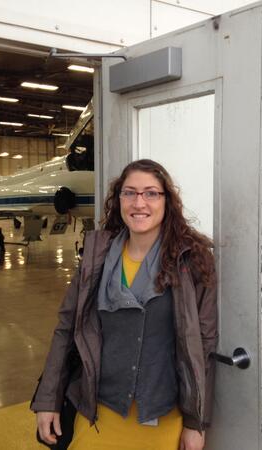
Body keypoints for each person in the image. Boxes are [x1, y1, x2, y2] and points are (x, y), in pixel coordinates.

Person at [32, 159, 217, 450]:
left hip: (162, 416)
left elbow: (203, 344)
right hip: (98, 413)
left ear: (167, 200)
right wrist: (48, 399)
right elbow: (67, 328)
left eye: (151, 193)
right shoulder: (97, 257)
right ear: (118, 199)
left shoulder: (191, 260)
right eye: (129, 192)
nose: (139, 203)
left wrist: (196, 422)